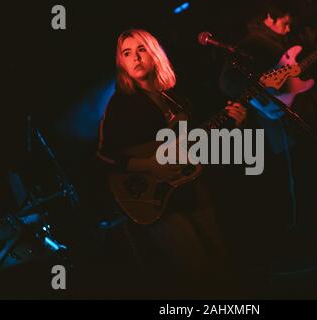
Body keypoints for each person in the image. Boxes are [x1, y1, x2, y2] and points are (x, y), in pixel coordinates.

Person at [218, 0, 317, 268]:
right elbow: (228, 80)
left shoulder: (284, 41)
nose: (288, 26)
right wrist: (265, 87)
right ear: (268, 17)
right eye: (284, 21)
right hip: (286, 132)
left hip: (307, 121)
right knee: (310, 188)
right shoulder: (252, 44)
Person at [96, 29, 247, 295]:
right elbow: (104, 156)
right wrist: (149, 165)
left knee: (222, 260)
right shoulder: (121, 104)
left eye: (141, 49)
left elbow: (197, 146)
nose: (135, 58)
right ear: (121, 63)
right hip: (158, 200)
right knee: (197, 271)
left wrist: (231, 123)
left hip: (191, 188)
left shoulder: (175, 98)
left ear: (153, 53)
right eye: (126, 53)